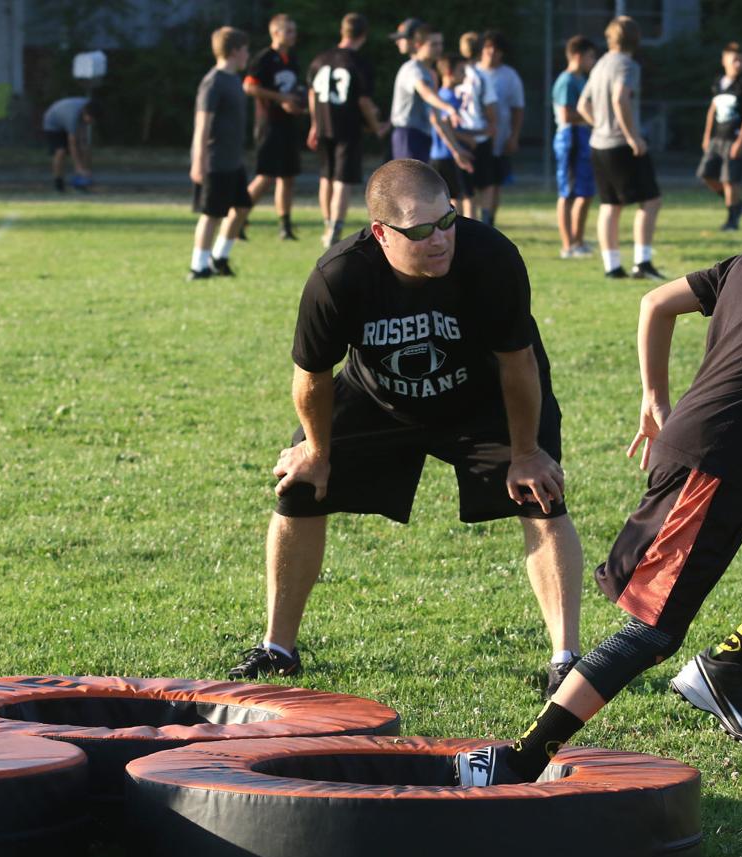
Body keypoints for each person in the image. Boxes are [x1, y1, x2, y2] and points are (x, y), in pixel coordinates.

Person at [455, 151, 742, 786]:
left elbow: (656, 303)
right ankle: (521, 757)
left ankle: (731, 664)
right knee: (653, 631)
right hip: (713, 464)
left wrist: (654, 397)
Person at [229, 159, 584, 700]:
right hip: (379, 399)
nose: (440, 240)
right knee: (299, 483)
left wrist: (528, 451)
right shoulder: (339, 275)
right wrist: (318, 451)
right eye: (419, 231)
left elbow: (517, 361)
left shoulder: (490, 256)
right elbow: (311, 375)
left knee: (540, 493)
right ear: (380, 233)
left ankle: (567, 660)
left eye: (447, 222)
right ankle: (278, 648)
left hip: (485, 397)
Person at [577, 16, 664, 280]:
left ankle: (612, 266)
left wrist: (600, 125)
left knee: (610, 205)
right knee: (651, 200)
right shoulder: (627, 64)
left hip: (599, 144)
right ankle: (643, 262)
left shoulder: (601, 63)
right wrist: (632, 136)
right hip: (621, 144)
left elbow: (582, 105)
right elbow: (620, 99)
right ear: (636, 38)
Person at [307, 12, 386, 249]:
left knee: (326, 176)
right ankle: (335, 228)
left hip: (322, 125)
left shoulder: (320, 59)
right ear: (363, 34)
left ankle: (327, 224)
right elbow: (363, 102)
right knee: (342, 179)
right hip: (347, 126)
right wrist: (376, 126)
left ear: (342, 31)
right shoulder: (358, 63)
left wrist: (314, 123)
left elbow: (311, 92)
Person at [188, 27, 252, 280]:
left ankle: (219, 257)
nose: (247, 55)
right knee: (212, 215)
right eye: (245, 50)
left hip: (233, 161)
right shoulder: (213, 81)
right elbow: (202, 125)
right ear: (235, 51)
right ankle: (198, 266)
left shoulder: (234, 79)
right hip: (214, 161)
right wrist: (198, 162)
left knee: (242, 208)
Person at [244, 13, 306, 241]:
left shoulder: (292, 58)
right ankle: (239, 217)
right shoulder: (264, 58)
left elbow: (295, 89)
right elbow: (249, 87)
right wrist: (281, 98)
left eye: (294, 31)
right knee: (266, 175)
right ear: (276, 32)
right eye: (289, 31)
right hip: (269, 123)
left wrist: (299, 104)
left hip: (288, 124)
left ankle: (285, 225)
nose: (293, 35)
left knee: (288, 177)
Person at [698, 42, 742, 231]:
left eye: (741, 60)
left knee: (729, 180)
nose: (738, 64)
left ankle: (732, 220)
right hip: (717, 138)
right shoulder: (719, 83)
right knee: (706, 175)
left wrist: (740, 141)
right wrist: (707, 136)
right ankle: (737, 204)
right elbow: (712, 110)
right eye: (734, 60)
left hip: (733, 139)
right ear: (724, 61)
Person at [389, 26, 467, 167]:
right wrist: (449, 107)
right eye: (434, 44)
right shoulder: (412, 69)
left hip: (423, 136)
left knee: (421, 186)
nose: (439, 48)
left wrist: (456, 150)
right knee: (410, 186)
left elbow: (436, 118)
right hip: (407, 135)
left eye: (440, 44)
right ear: (418, 45)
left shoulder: (430, 73)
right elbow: (426, 93)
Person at [551, 35, 598, 259]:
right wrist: (595, 115)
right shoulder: (567, 81)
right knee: (568, 193)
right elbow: (566, 114)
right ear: (578, 55)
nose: (593, 61)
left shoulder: (581, 79)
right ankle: (568, 245)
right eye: (590, 56)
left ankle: (578, 241)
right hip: (570, 138)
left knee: (585, 192)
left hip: (583, 137)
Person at [476, 30, 524, 227]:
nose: (491, 52)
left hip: (499, 139)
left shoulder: (509, 76)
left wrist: (513, 136)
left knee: (494, 183)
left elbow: (517, 108)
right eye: (488, 47)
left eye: (496, 49)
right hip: (474, 138)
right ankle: (471, 222)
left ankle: (488, 222)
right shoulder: (472, 72)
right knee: (473, 184)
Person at [455, 31, 499, 221]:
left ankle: (460, 227)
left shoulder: (454, 72)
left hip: (459, 134)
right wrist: (492, 125)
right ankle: (486, 224)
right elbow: (490, 107)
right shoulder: (481, 75)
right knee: (486, 185)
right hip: (479, 135)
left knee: (464, 190)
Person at [429, 55, 471, 209]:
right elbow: (444, 125)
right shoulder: (446, 97)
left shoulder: (446, 96)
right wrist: (460, 147)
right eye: (461, 71)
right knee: (455, 200)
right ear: (448, 72)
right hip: (446, 156)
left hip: (441, 155)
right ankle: (455, 231)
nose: (465, 75)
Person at [42, 96, 95, 193]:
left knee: (84, 148)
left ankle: (80, 182)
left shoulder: (89, 107)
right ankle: (59, 182)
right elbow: (72, 144)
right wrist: (78, 167)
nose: (91, 122)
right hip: (53, 125)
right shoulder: (73, 116)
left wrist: (84, 162)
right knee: (61, 151)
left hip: (67, 119)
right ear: (86, 113)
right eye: (90, 118)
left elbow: (82, 140)